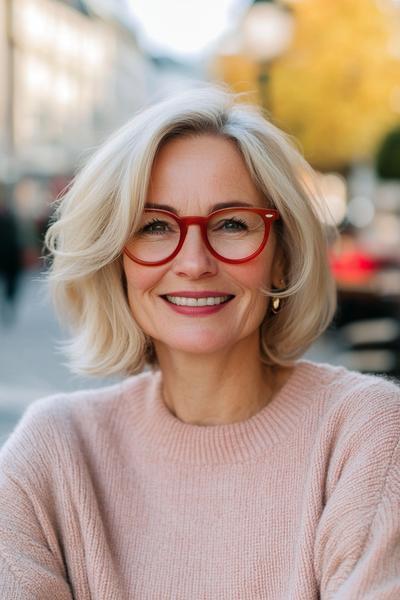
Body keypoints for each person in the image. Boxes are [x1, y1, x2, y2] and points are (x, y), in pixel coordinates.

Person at [0, 86, 399, 599]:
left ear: (282, 255)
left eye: (232, 223)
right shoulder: (53, 451)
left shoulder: (366, 437)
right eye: (155, 226)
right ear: (114, 259)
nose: (193, 262)